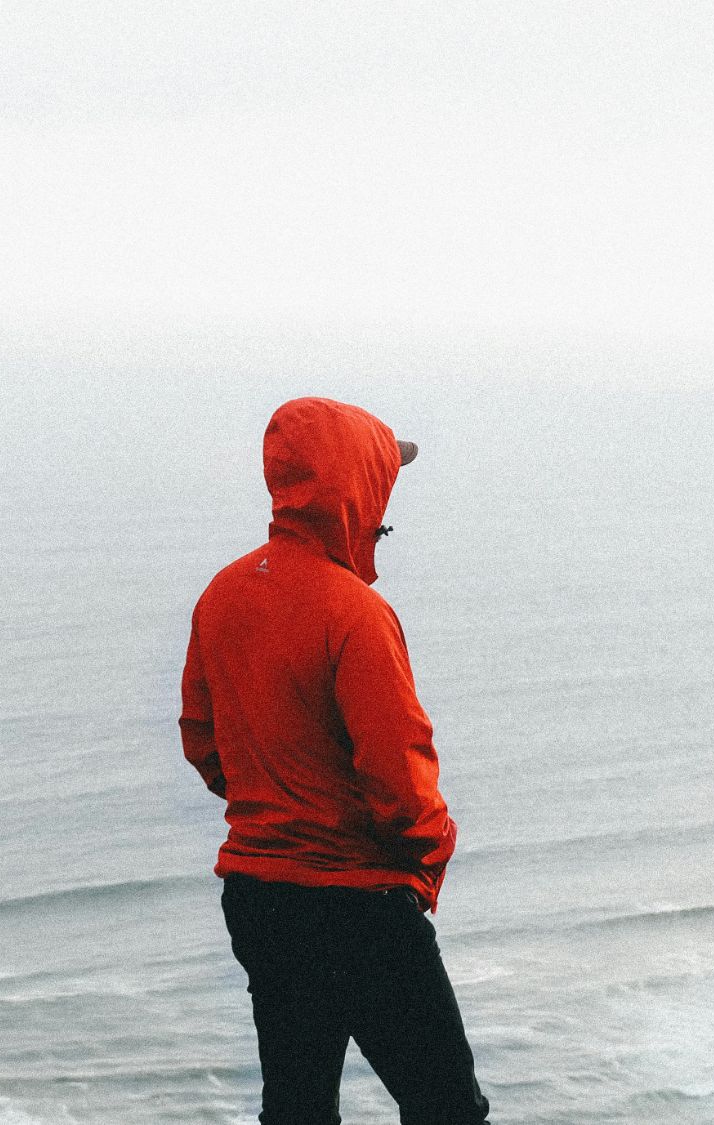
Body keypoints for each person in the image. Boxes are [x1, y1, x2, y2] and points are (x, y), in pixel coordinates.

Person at [179, 396, 490, 1125]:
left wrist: (272, 799)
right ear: (356, 489)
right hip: (357, 903)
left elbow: (202, 739)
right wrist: (436, 842)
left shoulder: (221, 595)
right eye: (383, 478)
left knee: (297, 1107)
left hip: (259, 893)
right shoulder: (355, 613)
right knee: (447, 1108)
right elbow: (398, 779)